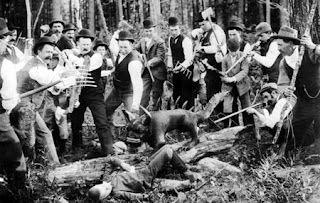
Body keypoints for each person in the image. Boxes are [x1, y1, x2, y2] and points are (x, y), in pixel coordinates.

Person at [11, 36, 77, 165]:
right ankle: (27, 167)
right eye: (47, 52)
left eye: (52, 52)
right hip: (23, 106)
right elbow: (53, 81)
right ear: (38, 52)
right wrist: (72, 77)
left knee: (43, 133)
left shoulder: (40, 64)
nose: (50, 55)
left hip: (29, 106)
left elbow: (52, 83)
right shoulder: (35, 68)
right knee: (29, 139)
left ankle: (52, 164)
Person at [88, 145, 202, 201]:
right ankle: (188, 173)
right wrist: (147, 195)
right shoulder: (117, 192)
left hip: (141, 165)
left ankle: (185, 166)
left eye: (103, 185)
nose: (107, 186)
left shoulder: (106, 179)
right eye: (107, 190)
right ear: (106, 196)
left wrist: (122, 164)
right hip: (144, 175)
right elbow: (135, 196)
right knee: (168, 152)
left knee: (167, 146)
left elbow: (109, 160)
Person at [272, 26, 320, 147]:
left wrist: (313, 46)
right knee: (296, 130)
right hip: (303, 101)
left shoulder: (308, 51)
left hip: (319, 96)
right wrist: (285, 90)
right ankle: (298, 153)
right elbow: (281, 84)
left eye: (280, 45)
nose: (278, 49)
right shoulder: (284, 63)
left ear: (291, 44)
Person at [70, 29, 114, 156]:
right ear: (77, 44)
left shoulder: (96, 56)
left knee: (101, 121)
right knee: (76, 121)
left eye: (87, 44)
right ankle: (76, 149)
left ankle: (108, 151)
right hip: (79, 93)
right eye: (82, 44)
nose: (85, 47)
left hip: (94, 93)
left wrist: (69, 57)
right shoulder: (76, 57)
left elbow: (86, 67)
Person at [0, 18, 29, 202]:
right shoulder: (6, 65)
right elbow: (8, 99)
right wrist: (11, 103)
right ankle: (20, 192)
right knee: (14, 148)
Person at [105, 30, 143, 141]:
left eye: (125, 47)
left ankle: (135, 144)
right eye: (120, 47)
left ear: (131, 45)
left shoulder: (134, 62)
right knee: (105, 111)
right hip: (117, 91)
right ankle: (111, 139)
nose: (122, 50)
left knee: (132, 118)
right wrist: (116, 33)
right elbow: (112, 46)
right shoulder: (120, 51)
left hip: (128, 92)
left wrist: (135, 104)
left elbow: (138, 84)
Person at [194, 11, 227, 113]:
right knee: (209, 90)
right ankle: (211, 115)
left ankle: (218, 115)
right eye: (200, 25)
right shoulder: (206, 32)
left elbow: (216, 48)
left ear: (210, 22)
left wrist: (202, 49)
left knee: (215, 91)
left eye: (203, 24)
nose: (202, 27)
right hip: (208, 66)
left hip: (217, 66)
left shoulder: (216, 32)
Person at [42, 51, 69, 163]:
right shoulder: (43, 71)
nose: (51, 62)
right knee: (46, 126)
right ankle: (47, 154)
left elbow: (69, 87)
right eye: (49, 59)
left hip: (61, 102)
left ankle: (62, 153)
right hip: (47, 101)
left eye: (54, 59)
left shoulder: (62, 71)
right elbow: (47, 97)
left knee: (63, 130)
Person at [221, 38, 253, 127]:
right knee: (230, 107)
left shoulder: (243, 56)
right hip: (230, 86)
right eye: (232, 52)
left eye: (236, 51)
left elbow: (244, 71)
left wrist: (234, 78)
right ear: (228, 49)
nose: (234, 53)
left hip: (242, 85)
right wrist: (225, 77)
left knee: (246, 106)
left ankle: (250, 127)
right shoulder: (225, 59)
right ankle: (235, 127)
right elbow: (224, 73)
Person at [135, 19, 166, 111]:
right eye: (146, 31)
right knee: (143, 95)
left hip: (157, 73)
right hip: (146, 73)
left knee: (156, 96)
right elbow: (134, 50)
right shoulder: (142, 41)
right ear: (144, 31)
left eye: (150, 31)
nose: (148, 33)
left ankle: (156, 118)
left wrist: (150, 62)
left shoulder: (160, 42)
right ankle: (142, 118)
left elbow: (160, 57)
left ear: (154, 30)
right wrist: (139, 55)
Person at [167, 16, 197, 109]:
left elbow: (189, 60)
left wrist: (181, 67)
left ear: (179, 28)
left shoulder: (185, 40)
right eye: (171, 30)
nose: (174, 32)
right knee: (177, 94)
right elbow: (170, 54)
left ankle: (189, 116)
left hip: (186, 72)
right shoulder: (170, 39)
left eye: (175, 30)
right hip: (176, 71)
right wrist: (170, 67)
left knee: (186, 95)